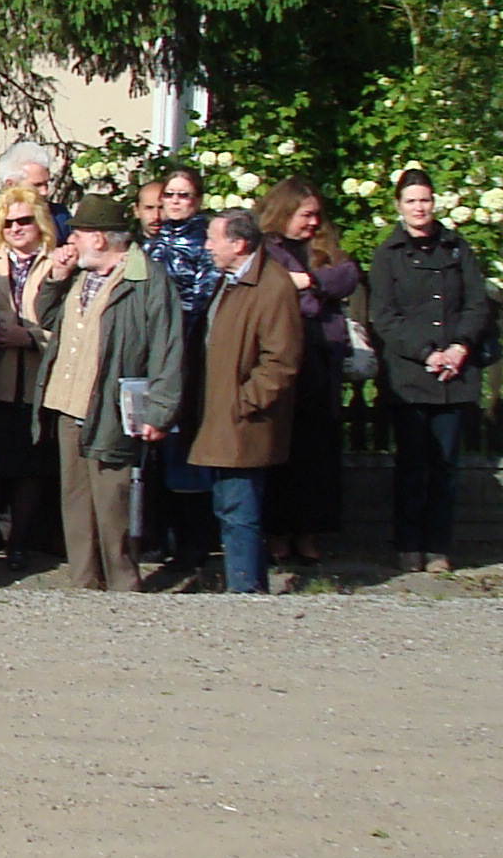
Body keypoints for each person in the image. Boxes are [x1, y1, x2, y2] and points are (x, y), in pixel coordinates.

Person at [29, 193, 182, 592]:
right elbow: (45, 318)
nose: (70, 241)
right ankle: (84, 583)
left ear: (98, 238)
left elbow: (169, 350)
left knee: (113, 504)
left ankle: (124, 586)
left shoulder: (147, 280)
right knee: (75, 501)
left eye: (77, 233)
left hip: (113, 410)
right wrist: (56, 279)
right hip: (67, 404)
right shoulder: (80, 274)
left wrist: (160, 412)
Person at [365, 168, 493, 576]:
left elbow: (476, 304)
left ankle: (438, 546)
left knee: (446, 468)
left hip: (455, 376)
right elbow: (384, 317)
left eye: (426, 200)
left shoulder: (458, 249)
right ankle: (408, 544)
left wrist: (460, 348)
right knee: (412, 466)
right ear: (399, 206)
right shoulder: (388, 255)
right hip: (411, 377)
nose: (420, 208)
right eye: (412, 201)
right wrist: (425, 353)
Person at [190, 206, 303, 595]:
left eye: (213, 238)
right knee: (229, 510)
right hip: (224, 416)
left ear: (238, 244)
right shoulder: (232, 280)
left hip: (244, 421)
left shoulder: (273, 287)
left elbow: (281, 361)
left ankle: (246, 592)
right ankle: (247, 586)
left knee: (240, 513)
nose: (206, 246)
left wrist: (244, 402)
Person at [258, 178, 362, 563]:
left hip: (322, 356)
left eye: (317, 215)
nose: (313, 222)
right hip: (286, 357)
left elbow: (347, 276)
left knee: (317, 455)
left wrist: (310, 281)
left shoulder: (322, 250)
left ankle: (309, 532)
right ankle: (278, 534)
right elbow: (279, 293)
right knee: (283, 452)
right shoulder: (268, 248)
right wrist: (310, 292)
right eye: (306, 215)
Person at [0, 179, 59, 570]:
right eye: (8, 223)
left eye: (24, 221)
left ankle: (19, 541)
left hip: (38, 383)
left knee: (29, 470)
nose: (16, 229)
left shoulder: (58, 265)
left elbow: (74, 328)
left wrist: (32, 337)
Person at [143, 163, 218, 564]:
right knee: (154, 444)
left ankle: (194, 540)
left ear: (197, 200)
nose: (174, 203)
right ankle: (158, 533)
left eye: (182, 195)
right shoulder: (149, 245)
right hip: (152, 355)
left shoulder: (206, 242)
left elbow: (203, 301)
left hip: (190, 350)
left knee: (186, 447)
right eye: (168, 196)